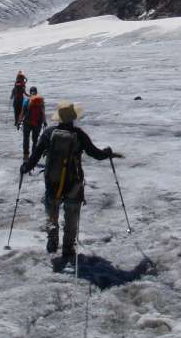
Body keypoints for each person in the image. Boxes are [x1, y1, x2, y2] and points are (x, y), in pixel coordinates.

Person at [20, 100, 124, 262]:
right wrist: (108, 152)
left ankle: (52, 239)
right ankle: (68, 249)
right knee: (71, 217)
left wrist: (26, 167)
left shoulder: (48, 133)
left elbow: (36, 155)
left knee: (52, 211)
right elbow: (96, 154)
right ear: (73, 117)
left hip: (52, 182)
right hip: (74, 183)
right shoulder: (79, 134)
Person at [20, 86, 46, 161]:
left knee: (26, 139)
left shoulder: (27, 100)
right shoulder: (40, 101)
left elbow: (22, 113)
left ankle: (26, 156)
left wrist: (19, 122)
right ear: (36, 92)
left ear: (30, 92)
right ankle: (33, 156)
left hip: (27, 122)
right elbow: (43, 113)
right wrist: (44, 122)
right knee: (35, 140)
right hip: (37, 123)